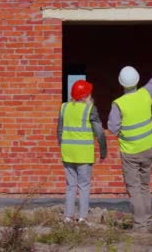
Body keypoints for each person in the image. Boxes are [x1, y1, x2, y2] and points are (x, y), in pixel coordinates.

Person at [107, 52, 152, 233]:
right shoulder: (145, 94)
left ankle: (141, 226)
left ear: (120, 82)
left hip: (130, 152)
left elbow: (112, 127)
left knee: (134, 188)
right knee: (145, 186)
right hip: (147, 149)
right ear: (137, 80)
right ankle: (147, 223)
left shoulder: (118, 103)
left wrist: (123, 132)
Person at [57, 80, 107, 224]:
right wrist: (103, 152)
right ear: (86, 95)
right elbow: (99, 133)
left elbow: (59, 131)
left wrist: (63, 146)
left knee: (70, 185)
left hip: (68, 152)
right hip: (84, 153)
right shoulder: (90, 109)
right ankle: (82, 218)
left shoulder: (64, 108)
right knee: (84, 185)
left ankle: (68, 216)